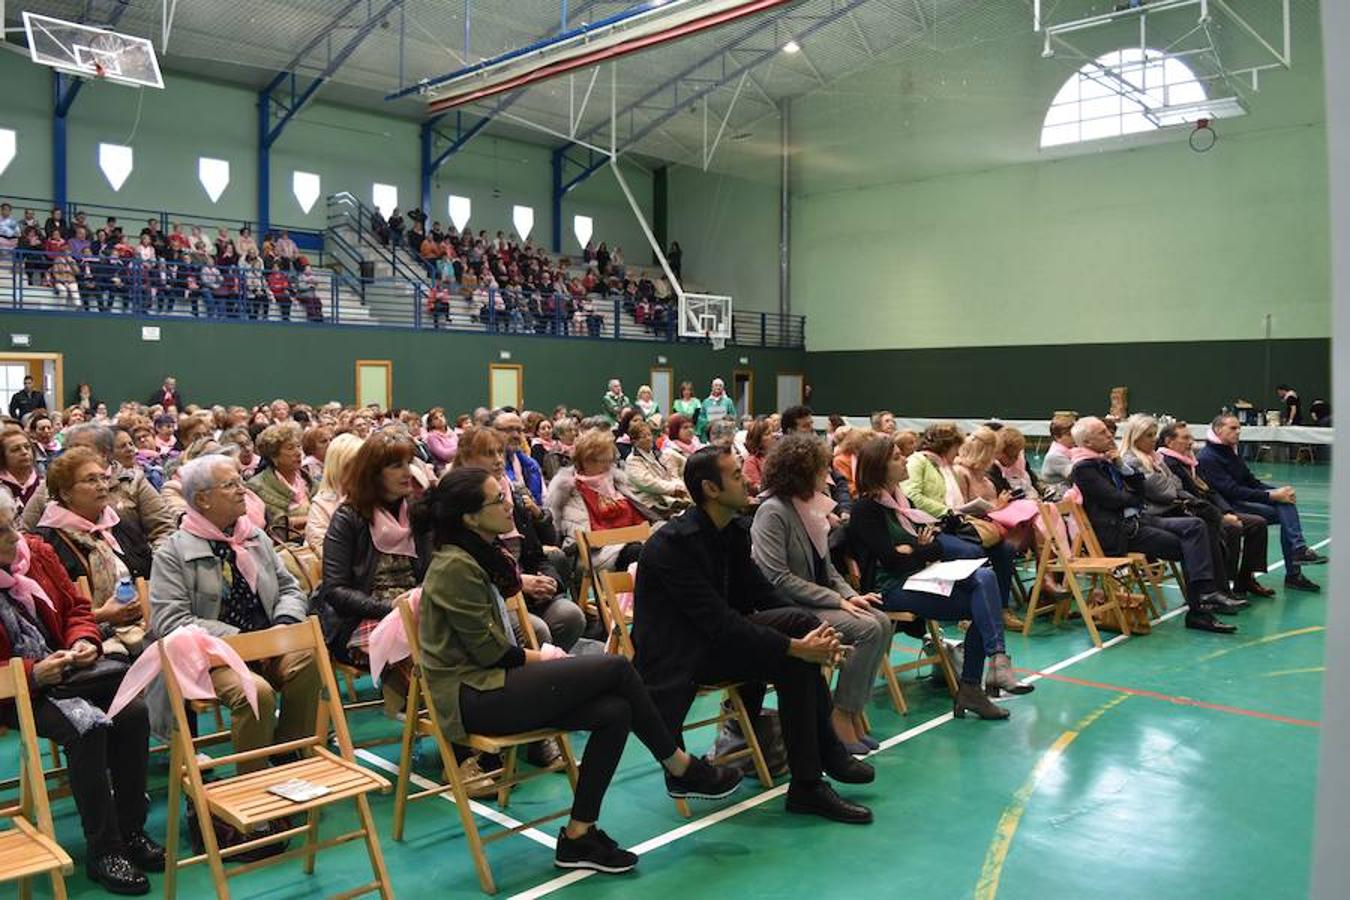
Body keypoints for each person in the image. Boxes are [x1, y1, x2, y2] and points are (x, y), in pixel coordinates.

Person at [415, 466, 742, 874]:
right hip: (471, 696)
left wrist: (553, 662)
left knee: (615, 712)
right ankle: (678, 766)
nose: (508, 505)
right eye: (497, 500)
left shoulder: (477, 555)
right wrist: (553, 660)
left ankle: (578, 836)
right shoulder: (453, 567)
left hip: (492, 683)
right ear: (469, 517)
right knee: (616, 667)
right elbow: (491, 654)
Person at [633, 446, 874, 823]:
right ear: (711, 489)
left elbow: (763, 593)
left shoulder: (732, 531)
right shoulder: (672, 546)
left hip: (716, 643)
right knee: (795, 650)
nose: (747, 479)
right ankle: (824, 759)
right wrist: (797, 644)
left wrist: (817, 635)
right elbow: (719, 623)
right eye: (735, 475)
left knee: (796, 654)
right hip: (680, 656)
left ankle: (809, 785)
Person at [149, 454, 315, 856]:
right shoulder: (172, 552)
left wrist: (282, 624)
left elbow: (290, 588)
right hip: (210, 656)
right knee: (256, 693)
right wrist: (240, 640)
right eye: (231, 485)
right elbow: (171, 621)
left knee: (309, 662)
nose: (243, 490)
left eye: (241, 481)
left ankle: (286, 757)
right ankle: (251, 786)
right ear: (202, 499)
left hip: (267, 642)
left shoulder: (253, 536)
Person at [0, 492, 163, 894]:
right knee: (87, 728)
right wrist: (33, 673)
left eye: (13, 523)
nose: (15, 536)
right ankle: (104, 850)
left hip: (67, 671)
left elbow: (77, 609)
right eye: (1, 531)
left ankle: (131, 830)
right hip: (12, 691)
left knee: (132, 713)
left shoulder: (36, 552)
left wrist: (83, 641)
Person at [846, 436, 1031, 716]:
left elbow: (936, 544)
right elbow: (893, 561)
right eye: (897, 457)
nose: (905, 459)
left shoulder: (903, 501)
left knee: (985, 579)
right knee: (985, 602)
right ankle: (978, 683)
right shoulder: (866, 509)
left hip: (920, 576)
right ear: (879, 468)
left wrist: (916, 549)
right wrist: (921, 549)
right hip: (889, 589)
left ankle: (993, 665)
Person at [750, 433, 890, 752]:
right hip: (787, 608)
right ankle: (840, 716)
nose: (827, 475)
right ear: (801, 472)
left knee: (881, 621)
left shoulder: (809, 508)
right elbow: (777, 578)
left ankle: (853, 710)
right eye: (821, 469)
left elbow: (827, 568)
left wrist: (850, 595)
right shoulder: (772, 511)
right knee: (868, 629)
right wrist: (836, 600)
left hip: (815, 600)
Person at [1069, 417, 1238, 633]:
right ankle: (1200, 609)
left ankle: (1205, 596)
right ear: (1088, 442)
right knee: (1191, 546)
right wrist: (1135, 498)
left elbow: (1139, 484)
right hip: (1121, 532)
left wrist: (1121, 465)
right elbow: (1116, 499)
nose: (1110, 435)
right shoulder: (1084, 468)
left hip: (1138, 520)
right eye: (1102, 433)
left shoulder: (1107, 461)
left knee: (1196, 526)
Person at [455, 427, 583, 654]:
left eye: (500, 452)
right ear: (466, 459)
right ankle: (538, 668)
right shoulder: (459, 504)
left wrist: (549, 582)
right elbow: (473, 572)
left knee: (570, 615)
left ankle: (550, 667)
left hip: (525, 592)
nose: (498, 460)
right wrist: (520, 583)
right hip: (494, 599)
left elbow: (537, 553)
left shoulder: (513, 495)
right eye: (489, 454)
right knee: (537, 630)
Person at [1117, 415, 1248, 617]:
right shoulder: (1132, 460)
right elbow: (1166, 492)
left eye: (1154, 434)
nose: (1154, 439)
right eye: (1149, 435)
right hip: (1151, 516)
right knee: (1199, 529)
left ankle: (1215, 592)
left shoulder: (1154, 458)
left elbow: (1176, 485)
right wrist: (1169, 484)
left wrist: (1169, 484)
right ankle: (1204, 597)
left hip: (1166, 511)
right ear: (1135, 437)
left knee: (1209, 525)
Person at [317, 432, 429, 667]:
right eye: (396, 466)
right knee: (417, 654)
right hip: (364, 617)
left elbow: (433, 569)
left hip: (418, 608)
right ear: (373, 473)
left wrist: (418, 596)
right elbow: (335, 590)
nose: (408, 472)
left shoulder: (417, 511)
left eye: (408, 463)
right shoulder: (348, 517)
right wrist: (390, 608)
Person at [33, 448, 155, 657]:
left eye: (103, 478)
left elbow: (150, 573)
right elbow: (52, 614)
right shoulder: (46, 542)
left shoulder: (120, 524)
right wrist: (101, 615)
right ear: (65, 493)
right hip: (88, 639)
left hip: (144, 623)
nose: (102, 486)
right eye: (91, 480)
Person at [905, 423, 1021, 628]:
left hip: (954, 523)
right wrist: (947, 512)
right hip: (932, 527)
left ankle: (1000, 608)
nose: (959, 452)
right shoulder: (919, 461)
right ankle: (972, 612)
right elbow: (911, 495)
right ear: (947, 446)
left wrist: (956, 513)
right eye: (956, 448)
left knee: (1005, 550)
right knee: (972, 551)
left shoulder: (946, 466)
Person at [1197, 413, 1324, 592]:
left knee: (1286, 503)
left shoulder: (1230, 451)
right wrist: (1271, 496)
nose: (1238, 431)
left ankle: (1297, 556)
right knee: (1284, 510)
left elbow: (1252, 482)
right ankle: (1296, 561)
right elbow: (1231, 491)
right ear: (1218, 430)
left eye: (1239, 428)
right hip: (1228, 505)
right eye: (1233, 428)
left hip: (1242, 500)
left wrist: (1278, 491)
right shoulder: (1208, 457)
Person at [1157, 421, 1273, 600]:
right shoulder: (1169, 463)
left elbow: (1210, 491)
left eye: (1191, 437)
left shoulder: (1190, 461)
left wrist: (1227, 511)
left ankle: (1245, 579)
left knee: (1257, 523)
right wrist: (1220, 517)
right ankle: (1223, 586)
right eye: (1185, 438)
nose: (1191, 442)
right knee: (1232, 528)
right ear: (1169, 441)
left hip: (1210, 510)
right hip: (1193, 513)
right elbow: (1187, 498)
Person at [21, 423, 177, 547]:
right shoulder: (51, 485)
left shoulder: (132, 480)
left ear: (105, 453)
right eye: (68, 449)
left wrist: (157, 565)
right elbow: (25, 533)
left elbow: (163, 528)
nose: (72, 455)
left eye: (81, 449)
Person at [545, 430, 655, 573]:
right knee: (638, 553)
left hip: (633, 541)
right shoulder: (568, 489)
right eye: (602, 461)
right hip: (594, 552)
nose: (608, 466)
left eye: (610, 460)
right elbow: (570, 536)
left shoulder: (616, 482)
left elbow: (640, 517)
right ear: (585, 461)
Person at [247, 422, 315, 539]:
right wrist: (314, 519)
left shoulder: (310, 481)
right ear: (274, 456)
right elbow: (276, 525)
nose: (298, 453)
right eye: (290, 448)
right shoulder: (257, 486)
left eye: (299, 446)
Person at [304, 433, 363, 558]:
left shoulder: (374, 494)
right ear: (339, 467)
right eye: (354, 463)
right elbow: (320, 550)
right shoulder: (322, 504)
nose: (361, 468)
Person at [623, 419, 690, 518]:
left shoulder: (657, 454)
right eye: (643, 437)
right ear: (634, 442)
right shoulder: (632, 461)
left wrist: (678, 485)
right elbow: (649, 483)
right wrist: (674, 488)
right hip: (649, 502)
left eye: (649, 435)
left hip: (666, 496)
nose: (648, 438)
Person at [490, 409, 545, 504]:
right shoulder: (487, 466)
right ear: (493, 432)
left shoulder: (531, 466)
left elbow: (543, 500)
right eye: (509, 430)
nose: (516, 435)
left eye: (519, 430)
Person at [1039, 414, 1077, 500]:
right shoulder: (1056, 456)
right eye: (1069, 435)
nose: (1073, 437)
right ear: (1057, 437)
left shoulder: (1070, 449)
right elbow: (1077, 475)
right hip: (1058, 498)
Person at [0, 427, 40, 508]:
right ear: (2, 456)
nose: (24, 452)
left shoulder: (44, 481)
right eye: (15, 449)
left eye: (27, 447)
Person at [741, 419, 777, 497]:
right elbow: (754, 489)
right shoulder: (751, 461)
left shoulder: (777, 456)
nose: (773, 435)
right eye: (768, 433)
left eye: (772, 431)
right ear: (758, 439)